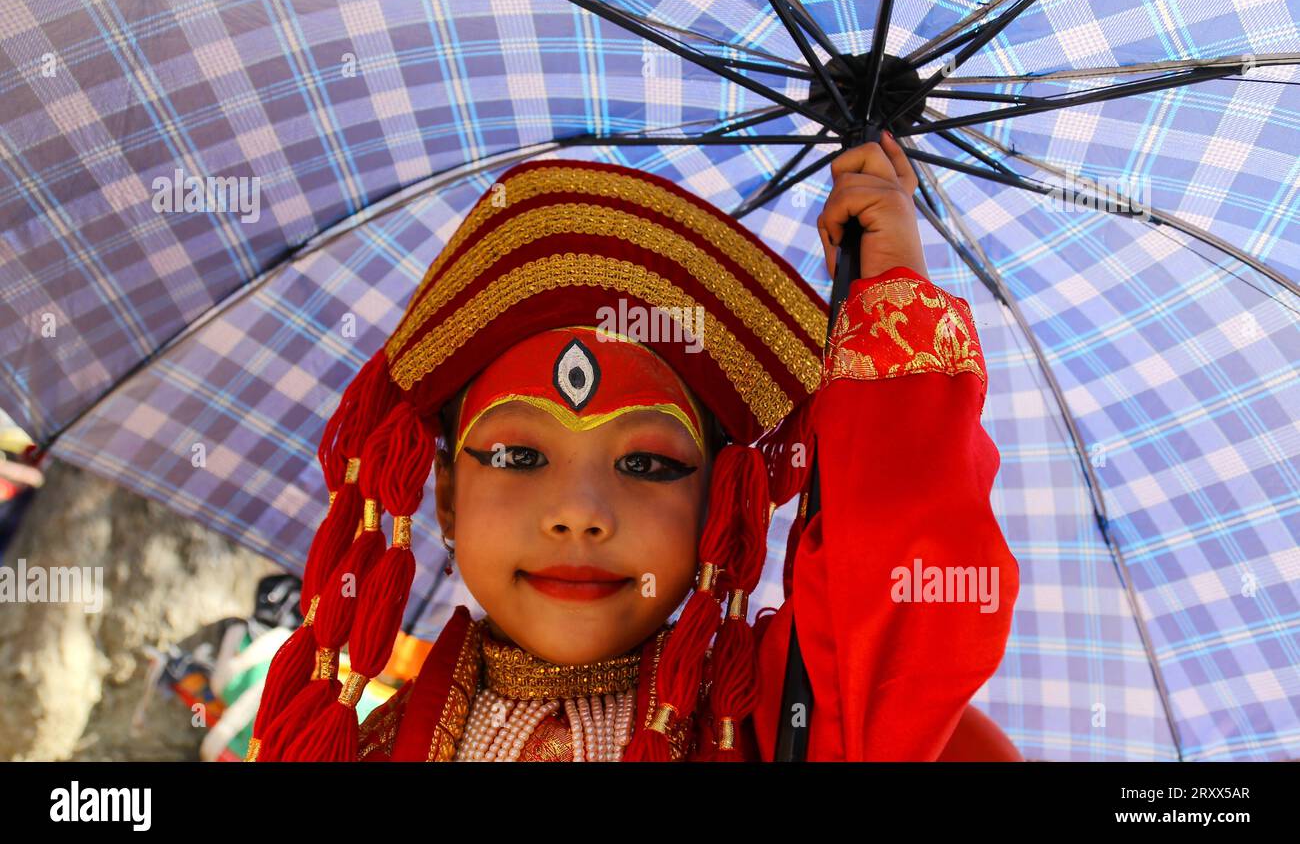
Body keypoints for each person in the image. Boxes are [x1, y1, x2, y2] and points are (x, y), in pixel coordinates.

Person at [244, 133, 1021, 762]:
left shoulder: (789, 725)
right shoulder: (353, 750)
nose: (580, 514)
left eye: (648, 464)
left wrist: (886, 299)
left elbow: (902, 603)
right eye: (518, 456)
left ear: (720, 505)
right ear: (445, 496)